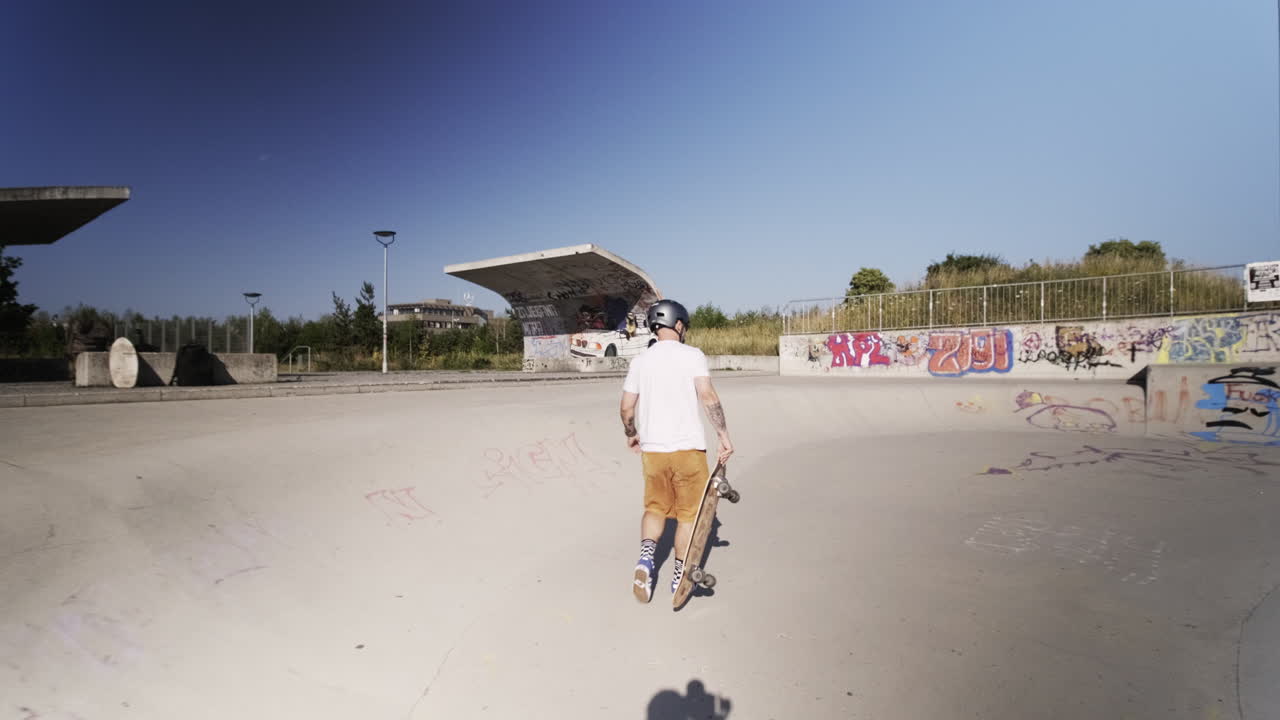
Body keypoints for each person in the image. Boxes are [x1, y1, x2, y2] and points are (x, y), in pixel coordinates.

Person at [620, 299, 734, 603]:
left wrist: (632, 434)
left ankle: (646, 559)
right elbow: (707, 395)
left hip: (653, 452)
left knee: (655, 508)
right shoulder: (692, 355)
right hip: (688, 451)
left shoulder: (640, 361)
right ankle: (680, 573)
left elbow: (627, 407)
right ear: (679, 324)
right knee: (687, 517)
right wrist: (723, 435)